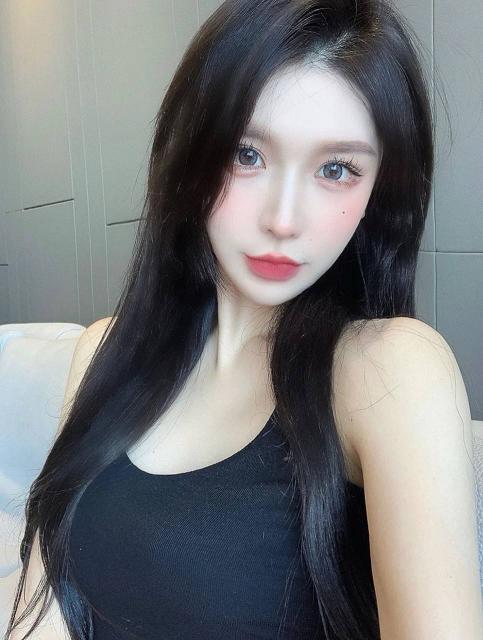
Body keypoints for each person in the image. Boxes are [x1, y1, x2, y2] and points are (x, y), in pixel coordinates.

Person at [6, 1, 483, 639]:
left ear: (379, 190)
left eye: (336, 170)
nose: (283, 219)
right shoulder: (102, 352)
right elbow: (42, 614)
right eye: (247, 155)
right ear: (190, 152)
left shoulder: (387, 371)